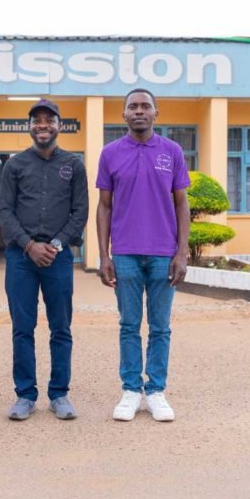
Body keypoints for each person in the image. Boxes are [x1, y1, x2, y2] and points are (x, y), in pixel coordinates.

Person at [96, 88, 190, 422]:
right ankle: (131, 391)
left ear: (155, 113)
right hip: (125, 254)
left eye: (145, 106)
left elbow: (182, 203)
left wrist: (182, 252)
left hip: (164, 254)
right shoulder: (110, 153)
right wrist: (103, 255)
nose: (139, 111)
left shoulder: (172, 151)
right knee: (129, 325)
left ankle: (156, 392)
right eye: (133, 106)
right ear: (123, 114)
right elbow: (104, 206)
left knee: (160, 327)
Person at [0, 99, 89, 421]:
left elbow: (80, 212)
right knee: (23, 328)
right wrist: (28, 245)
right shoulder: (15, 166)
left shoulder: (74, 165)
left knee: (60, 327)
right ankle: (25, 395)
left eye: (49, 120)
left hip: (58, 258)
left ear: (59, 125)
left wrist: (56, 244)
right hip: (21, 258)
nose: (43, 125)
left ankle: (59, 394)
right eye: (37, 120)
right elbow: (3, 211)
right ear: (30, 126)